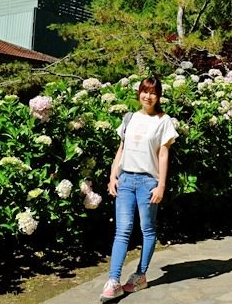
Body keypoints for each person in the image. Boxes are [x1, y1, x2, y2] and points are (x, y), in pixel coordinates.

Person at [100, 76, 179, 302]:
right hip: (125, 181)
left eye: (153, 92)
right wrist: (112, 176)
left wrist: (161, 185)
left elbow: (163, 155)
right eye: (145, 91)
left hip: (148, 183)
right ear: (139, 93)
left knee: (147, 229)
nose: (148, 96)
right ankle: (113, 281)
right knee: (122, 231)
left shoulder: (164, 121)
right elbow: (121, 148)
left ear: (159, 96)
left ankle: (140, 275)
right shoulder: (129, 118)